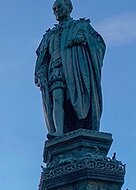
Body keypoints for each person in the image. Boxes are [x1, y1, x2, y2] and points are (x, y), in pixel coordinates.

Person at [35, 0, 106, 136]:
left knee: (77, 101)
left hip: (76, 71)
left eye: (59, 7)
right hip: (56, 70)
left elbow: (99, 43)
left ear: (69, 8)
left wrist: (84, 39)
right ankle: (59, 131)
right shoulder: (50, 35)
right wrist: (40, 74)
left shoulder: (81, 26)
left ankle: (82, 126)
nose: (56, 11)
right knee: (57, 98)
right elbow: (42, 59)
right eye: (54, 9)